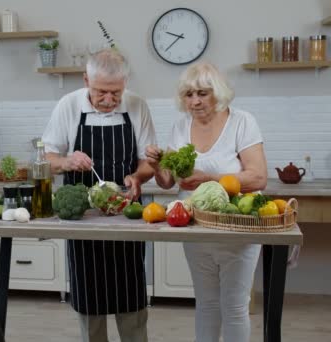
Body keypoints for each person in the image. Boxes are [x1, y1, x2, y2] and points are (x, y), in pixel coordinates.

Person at [146, 62, 268, 342]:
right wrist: (156, 165)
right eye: (189, 94)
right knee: (206, 304)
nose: (195, 101)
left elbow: (258, 177)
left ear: (218, 93)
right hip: (196, 228)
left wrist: (207, 178)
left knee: (235, 307)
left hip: (236, 227)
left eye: (202, 93)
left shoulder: (242, 122)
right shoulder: (180, 127)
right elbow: (168, 181)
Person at [42, 48, 156, 342]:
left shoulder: (137, 106)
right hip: (83, 218)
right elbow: (49, 158)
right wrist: (67, 161)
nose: (109, 100)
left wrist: (138, 176)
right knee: (89, 295)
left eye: (116, 92)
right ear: (85, 81)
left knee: (131, 292)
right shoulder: (68, 106)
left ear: (125, 83)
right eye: (101, 92)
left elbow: (147, 161)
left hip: (126, 215)